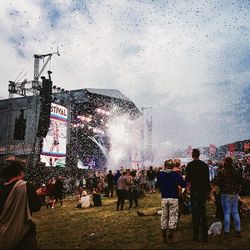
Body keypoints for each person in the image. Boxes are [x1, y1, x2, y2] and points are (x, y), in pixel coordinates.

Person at [0, 160, 41, 249]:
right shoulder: (27, 186)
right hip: (24, 234)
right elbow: (36, 207)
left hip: (5, 234)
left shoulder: (1, 189)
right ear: (20, 172)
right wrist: (37, 195)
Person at [212, 157, 243, 237]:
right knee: (235, 212)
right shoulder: (236, 171)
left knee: (227, 213)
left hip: (225, 194)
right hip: (234, 194)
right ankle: (238, 231)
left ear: (225, 162)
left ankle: (226, 232)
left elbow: (215, 181)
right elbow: (241, 181)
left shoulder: (222, 171)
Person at [157, 159, 186, 243]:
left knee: (164, 216)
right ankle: (171, 237)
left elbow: (157, 185)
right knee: (173, 217)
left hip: (164, 198)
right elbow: (183, 184)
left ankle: (163, 237)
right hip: (173, 198)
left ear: (165, 166)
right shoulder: (175, 174)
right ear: (173, 166)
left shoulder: (161, 174)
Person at [185, 149, 211, 242]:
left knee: (195, 214)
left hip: (195, 192)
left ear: (192, 155)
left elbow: (187, 179)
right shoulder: (204, 165)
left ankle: (196, 236)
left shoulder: (190, 165)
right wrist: (208, 193)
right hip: (203, 192)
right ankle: (205, 236)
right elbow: (207, 180)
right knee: (203, 214)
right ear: (199, 155)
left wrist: (188, 188)